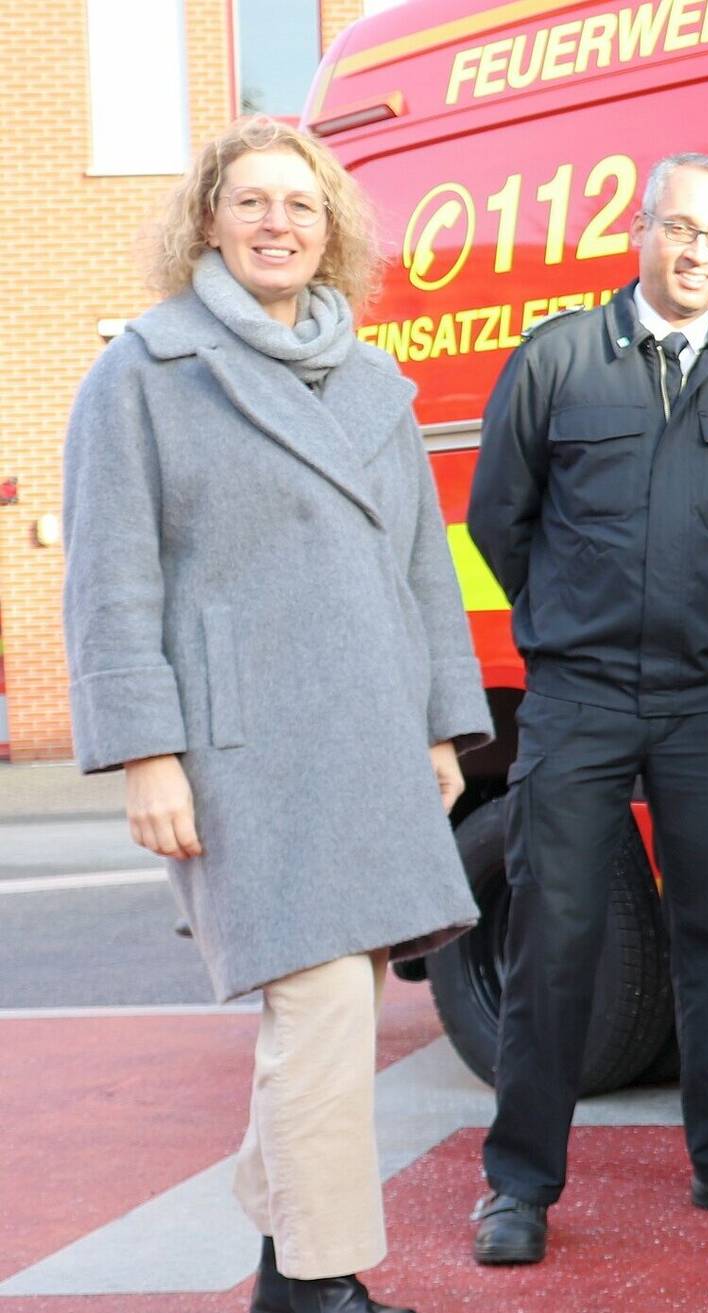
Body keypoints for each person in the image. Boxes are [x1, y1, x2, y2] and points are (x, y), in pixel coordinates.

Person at [61, 116, 490, 1313]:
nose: (277, 224)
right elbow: (108, 577)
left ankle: (284, 1270)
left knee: (336, 1010)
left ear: (331, 228)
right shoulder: (144, 370)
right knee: (320, 1011)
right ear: (207, 217)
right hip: (237, 746)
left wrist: (443, 727)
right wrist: (147, 753)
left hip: (371, 738)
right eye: (251, 202)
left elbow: (422, 566)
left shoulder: (371, 378)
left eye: (301, 206)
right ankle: (320, 1283)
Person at [464, 152, 708, 1265]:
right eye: (679, 228)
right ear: (641, 232)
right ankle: (519, 1183)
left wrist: (707, 620)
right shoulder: (557, 360)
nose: (698, 250)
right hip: (580, 692)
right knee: (555, 936)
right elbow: (497, 520)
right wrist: (574, 618)